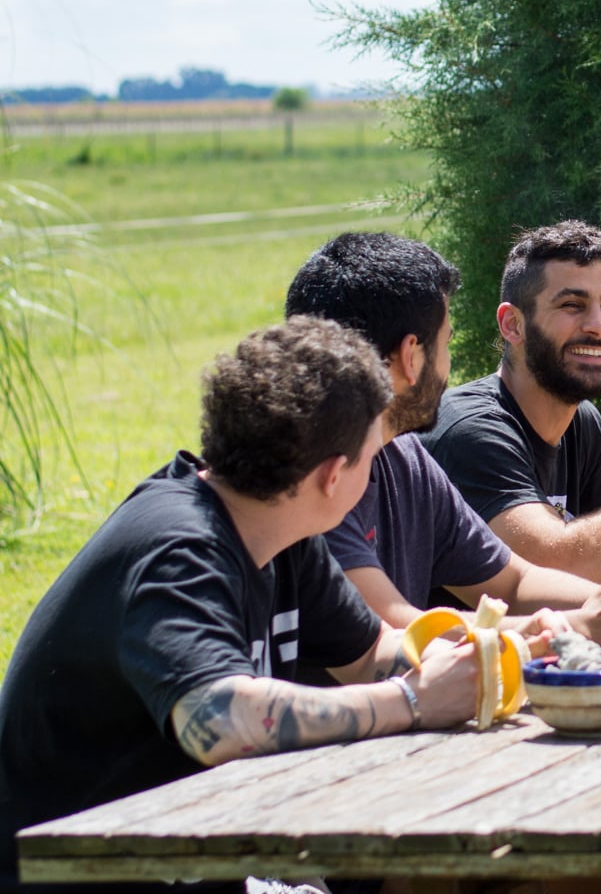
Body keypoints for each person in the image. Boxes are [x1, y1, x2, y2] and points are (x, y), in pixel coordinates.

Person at [0, 318, 484, 894]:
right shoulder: (178, 551)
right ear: (334, 475)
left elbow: (369, 651)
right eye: (374, 452)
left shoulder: (281, 534)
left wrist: (505, 651)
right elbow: (219, 718)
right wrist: (411, 700)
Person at [285, 232, 601, 648]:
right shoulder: (315, 482)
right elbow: (389, 634)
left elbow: (516, 580)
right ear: (410, 356)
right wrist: (584, 623)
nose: (597, 326)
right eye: (447, 342)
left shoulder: (404, 456)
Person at [423, 221, 601, 582]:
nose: (598, 326)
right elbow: (556, 573)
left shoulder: (579, 421)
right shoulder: (470, 431)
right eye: (571, 305)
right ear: (512, 324)